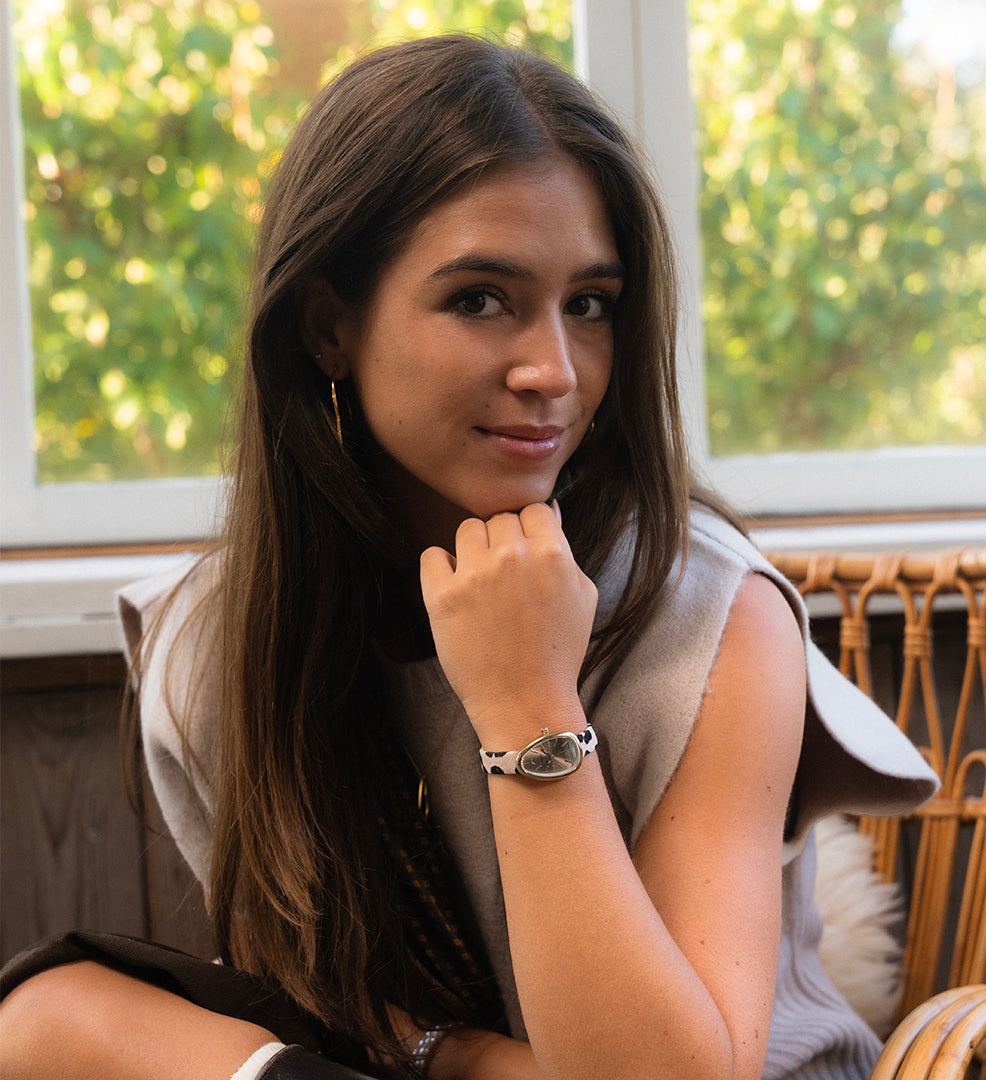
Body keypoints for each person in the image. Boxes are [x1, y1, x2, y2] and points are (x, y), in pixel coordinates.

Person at [0, 33, 938, 1080]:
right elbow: (318, 998)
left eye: (589, 304)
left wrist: (529, 705)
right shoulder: (214, 636)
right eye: (481, 298)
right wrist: (469, 1061)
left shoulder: (711, 619)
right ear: (327, 328)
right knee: (45, 1015)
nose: (554, 370)